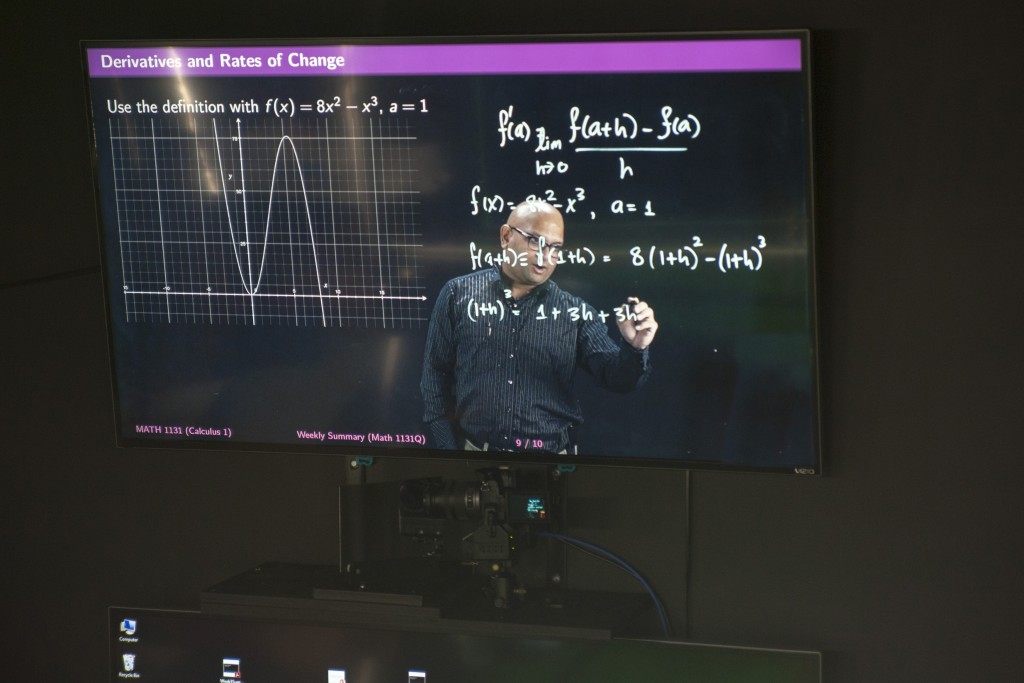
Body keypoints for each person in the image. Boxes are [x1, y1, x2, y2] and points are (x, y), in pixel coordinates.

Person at [420, 200, 658, 453]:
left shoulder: (574, 312)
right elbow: (435, 376)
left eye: (555, 247)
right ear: (505, 236)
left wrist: (635, 347)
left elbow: (617, 379)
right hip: (474, 455)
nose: (546, 257)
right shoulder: (458, 294)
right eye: (535, 241)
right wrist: (449, 453)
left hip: (551, 462)